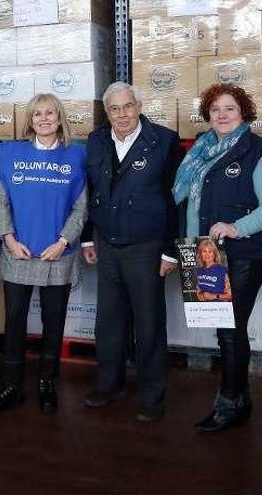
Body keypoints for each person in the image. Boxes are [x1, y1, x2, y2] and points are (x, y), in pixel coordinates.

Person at [172, 83, 262, 432]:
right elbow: (191, 204)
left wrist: (236, 227)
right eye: (215, 108)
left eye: (230, 108)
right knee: (223, 328)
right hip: (205, 252)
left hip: (244, 253)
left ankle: (230, 402)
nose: (222, 114)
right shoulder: (201, 152)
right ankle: (239, 398)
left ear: (243, 113)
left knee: (231, 329)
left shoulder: (258, 153)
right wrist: (190, 249)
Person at [81, 81, 184, 423]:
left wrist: (171, 251)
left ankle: (152, 396)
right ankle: (109, 384)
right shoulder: (96, 141)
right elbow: (88, 191)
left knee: (149, 322)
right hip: (107, 243)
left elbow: (176, 200)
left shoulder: (165, 141)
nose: (121, 114)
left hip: (147, 246)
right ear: (106, 112)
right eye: (114, 108)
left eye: (127, 107)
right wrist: (86, 239)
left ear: (139, 107)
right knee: (108, 322)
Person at [0, 93, 87, 415]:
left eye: (50, 113)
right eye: (37, 114)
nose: (44, 119)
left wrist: (64, 241)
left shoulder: (77, 156)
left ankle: (46, 384)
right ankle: (12, 385)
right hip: (19, 253)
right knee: (14, 321)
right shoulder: (11, 154)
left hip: (58, 254)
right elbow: (1, 201)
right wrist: (8, 239)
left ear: (60, 118)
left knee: (53, 323)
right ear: (30, 119)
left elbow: (81, 207)